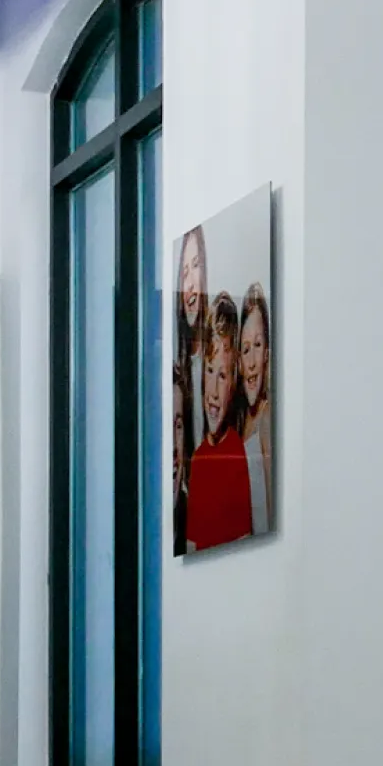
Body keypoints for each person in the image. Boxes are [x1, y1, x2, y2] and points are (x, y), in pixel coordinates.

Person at [183, 293, 254, 549]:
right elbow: (191, 546)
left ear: (234, 381)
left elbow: (245, 545)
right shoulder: (200, 457)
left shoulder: (236, 453)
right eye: (210, 371)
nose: (212, 391)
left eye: (222, 376)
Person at [171, 228, 209, 546]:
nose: (190, 282)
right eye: (184, 272)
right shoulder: (177, 371)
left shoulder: (218, 363)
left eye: (196, 267)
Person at [235, 286, 275, 539]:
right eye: (245, 348)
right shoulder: (238, 421)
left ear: (268, 355)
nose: (251, 362)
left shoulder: (267, 419)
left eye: (258, 345)